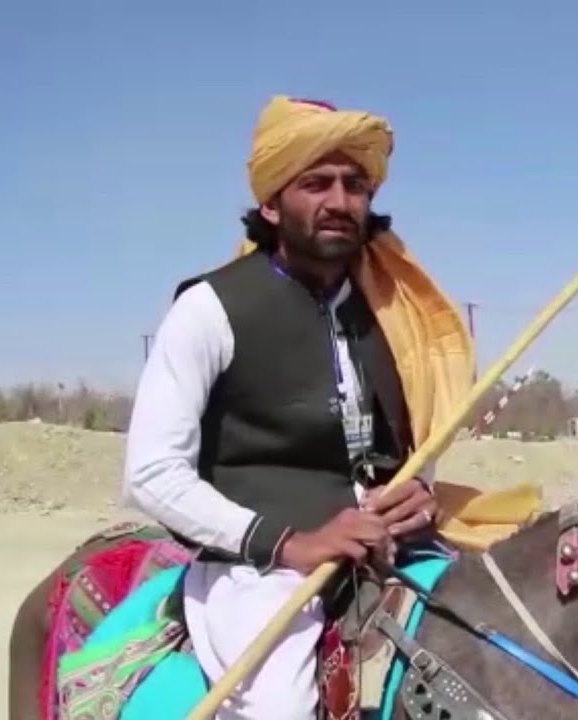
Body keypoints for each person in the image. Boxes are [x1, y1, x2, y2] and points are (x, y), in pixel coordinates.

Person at [122, 95, 474, 719]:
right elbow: (151, 474)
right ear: (270, 202)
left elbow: (416, 437)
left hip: (397, 549)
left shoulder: (398, 312)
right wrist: (291, 544)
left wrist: (421, 488)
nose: (340, 201)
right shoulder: (208, 309)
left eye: (354, 184)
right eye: (316, 183)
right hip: (263, 568)